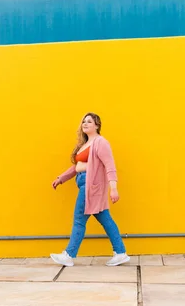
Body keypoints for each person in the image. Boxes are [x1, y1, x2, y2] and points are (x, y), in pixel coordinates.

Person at [50, 113, 130, 267]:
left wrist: (113, 188)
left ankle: (68, 254)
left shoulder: (101, 143)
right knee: (105, 219)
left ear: (97, 125)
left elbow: (110, 165)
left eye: (89, 121)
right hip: (84, 183)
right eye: (83, 122)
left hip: (91, 186)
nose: (85, 124)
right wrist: (61, 178)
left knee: (79, 220)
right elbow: (77, 167)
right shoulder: (85, 144)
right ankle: (120, 252)